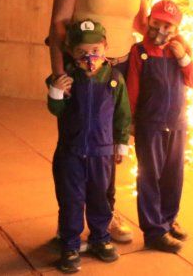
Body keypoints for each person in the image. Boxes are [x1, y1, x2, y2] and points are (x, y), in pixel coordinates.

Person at [47, 0, 147, 243]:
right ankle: (70, 221)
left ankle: (105, 218)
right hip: (83, 71)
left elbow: (143, 24)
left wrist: (176, 35)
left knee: (110, 148)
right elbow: (59, 23)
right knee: (74, 147)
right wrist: (59, 75)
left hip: (119, 71)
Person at [47, 19, 131, 274]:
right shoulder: (68, 78)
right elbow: (56, 110)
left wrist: (121, 143)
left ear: (105, 48)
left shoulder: (114, 79)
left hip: (101, 153)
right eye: (82, 52)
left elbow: (122, 114)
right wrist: (56, 92)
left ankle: (100, 238)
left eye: (95, 50)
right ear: (72, 52)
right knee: (71, 199)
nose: (89, 56)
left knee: (100, 199)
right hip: (71, 153)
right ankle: (71, 244)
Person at [124, 0, 193, 253]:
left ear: (176, 29)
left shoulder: (180, 48)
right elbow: (132, 90)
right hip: (150, 125)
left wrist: (183, 58)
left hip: (176, 123)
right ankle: (154, 230)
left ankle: (168, 219)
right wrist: (130, 122)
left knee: (173, 175)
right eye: (156, 23)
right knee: (149, 177)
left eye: (168, 26)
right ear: (149, 21)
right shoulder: (139, 52)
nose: (161, 31)